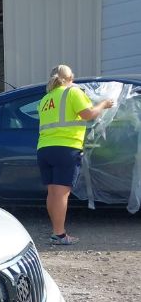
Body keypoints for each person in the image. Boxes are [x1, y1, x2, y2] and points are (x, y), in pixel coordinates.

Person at [37, 65, 114, 245]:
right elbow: (88, 114)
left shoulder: (45, 99)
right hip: (66, 148)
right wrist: (104, 104)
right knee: (62, 194)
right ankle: (60, 235)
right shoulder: (73, 92)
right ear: (71, 77)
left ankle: (56, 232)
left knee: (53, 193)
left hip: (44, 149)